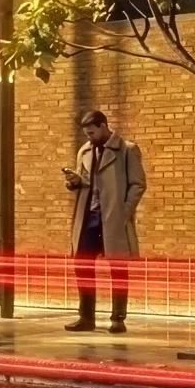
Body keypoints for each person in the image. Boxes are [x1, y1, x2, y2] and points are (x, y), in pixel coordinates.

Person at [65, 109, 145, 333]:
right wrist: (73, 182)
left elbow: (138, 184)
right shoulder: (85, 151)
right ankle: (86, 317)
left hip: (113, 219)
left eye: (92, 132)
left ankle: (118, 319)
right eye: (86, 133)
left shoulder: (127, 150)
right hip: (88, 217)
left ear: (103, 126)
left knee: (118, 269)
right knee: (82, 266)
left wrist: (124, 211)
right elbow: (84, 181)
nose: (89, 137)